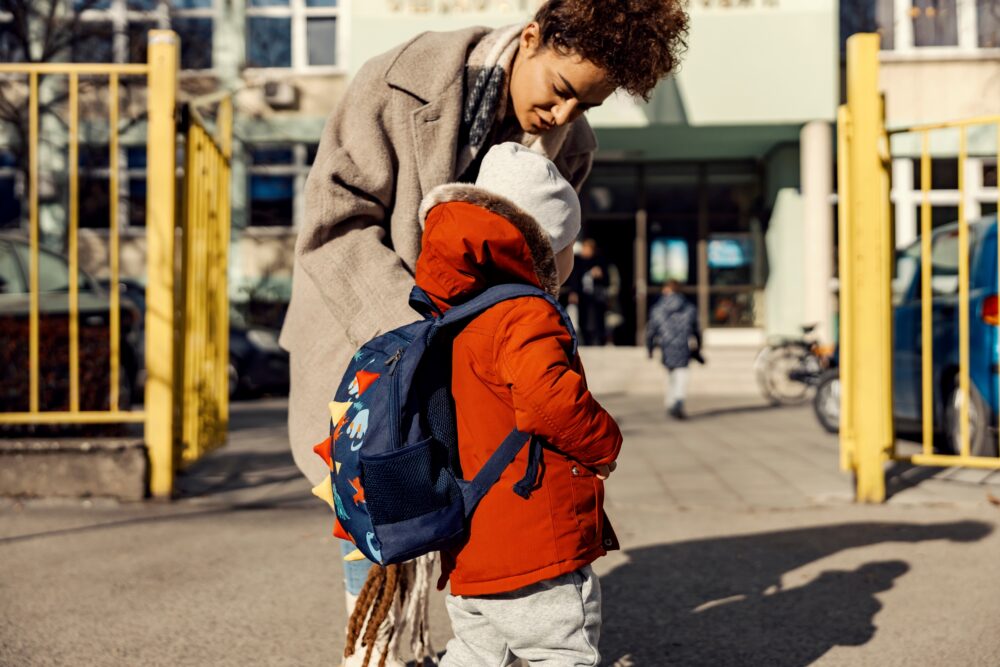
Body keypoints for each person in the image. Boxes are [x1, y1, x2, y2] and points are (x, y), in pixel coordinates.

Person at [280, 1, 688, 664]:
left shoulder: (572, 148)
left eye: (585, 105)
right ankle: (378, 655)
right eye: (560, 91)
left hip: (476, 371)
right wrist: (423, 336)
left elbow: (539, 274)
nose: (564, 118)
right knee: (381, 521)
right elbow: (335, 226)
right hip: (365, 336)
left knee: (466, 520)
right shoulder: (401, 80)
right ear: (532, 36)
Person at [415, 143, 622, 666]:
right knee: (562, 653)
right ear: (546, 248)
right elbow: (549, 399)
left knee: (476, 653)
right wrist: (605, 444)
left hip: (470, 541)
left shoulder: (454, 315)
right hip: (534, 544)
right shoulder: (525, 313)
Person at [646, 280, 702, 419]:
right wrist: (698, 347)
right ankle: (678, 400)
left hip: (666, 346)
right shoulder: (689, 307)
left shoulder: (658, 309)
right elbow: (696, 330)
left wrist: (650, 348)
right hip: (683, 346)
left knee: (669, 374)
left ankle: (671, 402)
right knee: (682, 374)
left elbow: (651, 330)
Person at [569, 238, 612, 345]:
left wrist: (599, 275)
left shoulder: (600, 260)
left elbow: (607, 280)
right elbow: (573, 279)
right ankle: (586, 339)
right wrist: (573, 292)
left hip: (597, 295)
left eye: (588, 249)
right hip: (582, 294)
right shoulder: (577, 261)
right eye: (585, 248)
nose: (586, 251)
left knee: (598, 317)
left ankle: (599, 339)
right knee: (582, 317)